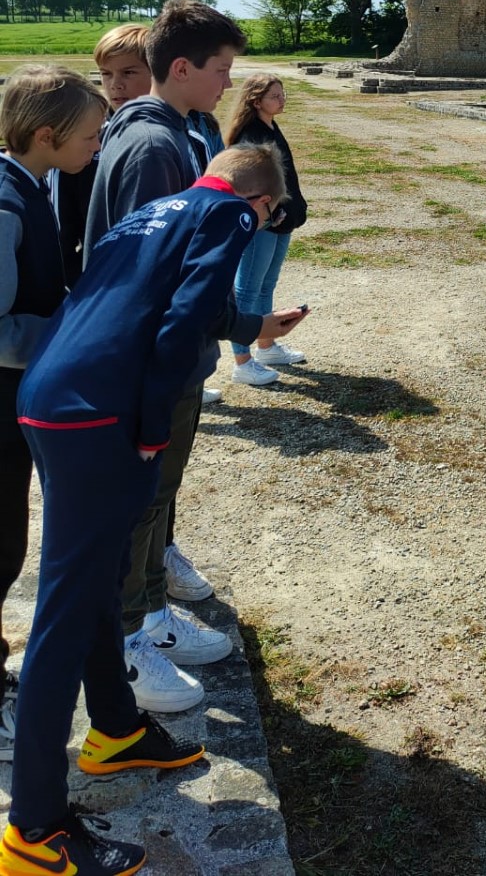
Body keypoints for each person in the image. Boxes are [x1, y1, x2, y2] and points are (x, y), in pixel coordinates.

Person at [1, 146, 309, 876]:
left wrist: (253, 325)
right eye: (269, 215)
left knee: (99, 578)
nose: (260, 224)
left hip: (53, 393)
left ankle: (114, 728)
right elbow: (181, 321)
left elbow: (154, 299)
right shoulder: (230, 212)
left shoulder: (154, 212)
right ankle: (34, 830)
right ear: (261, 201)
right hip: (99, 412)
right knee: (63, 613)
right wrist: (148, 429)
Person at [83, 0, 262, 715]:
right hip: (152, 358)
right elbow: (151, 271)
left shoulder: (176, 132)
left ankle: (151, 612)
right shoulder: (155, 147)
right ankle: (131, 640)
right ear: (182, 68)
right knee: (140, 501)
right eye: (220, 69)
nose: (228, 83)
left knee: (158, 497)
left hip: (171, 353)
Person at [0, 66, 106, 766]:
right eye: (91, 136)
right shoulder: (6, 204)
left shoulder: (31, 187)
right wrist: (73, 333)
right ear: (47, 135)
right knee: (1, 547)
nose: (98, 146)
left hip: (14, 403)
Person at [51, 24, 152, 287]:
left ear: (157, 72)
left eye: (128, 72)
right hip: (100, 286)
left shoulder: (188, 135)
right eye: (106, 74)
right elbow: (61, 236)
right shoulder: (81, 140)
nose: (115, 84)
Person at [225, 75, 309, 386]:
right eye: (275, 95)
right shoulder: (250, 134)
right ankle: (242, 362)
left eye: (282, 94)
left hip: (282, 220)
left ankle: (266, 346)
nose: (281, 99)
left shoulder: (270, 126)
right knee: (248, 289)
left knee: (266, 285)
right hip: (263, 223)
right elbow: (246, 183)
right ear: (256, 100)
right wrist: (270, 213)